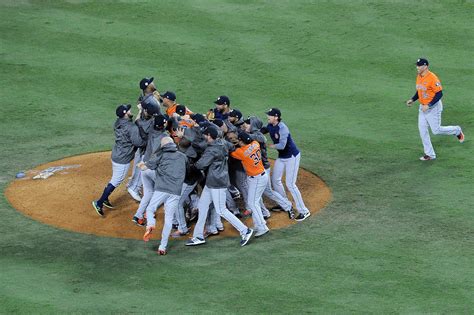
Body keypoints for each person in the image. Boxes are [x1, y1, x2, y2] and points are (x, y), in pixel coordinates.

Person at [186, 126, 253, 247]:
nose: (204, 137)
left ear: (210, 136)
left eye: (205, 135)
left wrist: (191, 167)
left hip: (217, 183)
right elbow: (232, 147)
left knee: (221, 210)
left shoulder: (213, 150)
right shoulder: (222, 142)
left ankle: (245, 230)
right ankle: (198, 236)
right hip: (213, 181)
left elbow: (201, 164)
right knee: (202, 206)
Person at [406, 58, 465, 161]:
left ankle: (457, 130)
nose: (417, 67)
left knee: (436, 131)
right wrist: (412, 99)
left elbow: (439, 93)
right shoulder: (419, 77)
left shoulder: (433, 78)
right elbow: (419, 91)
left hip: (433, 108)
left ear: (426, 66)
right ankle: (430, 154)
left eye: (419, 65)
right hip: (422, 108)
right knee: (422, 131)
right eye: (417, 65)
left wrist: (429, 105)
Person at [92, 104, 145, 216]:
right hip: (122, 159)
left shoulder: (118, 122)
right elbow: (138, 142)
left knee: (114, 178)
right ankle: (99, 202)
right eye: (129, 110)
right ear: (125, 113)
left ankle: (105, 198)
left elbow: (133, 125)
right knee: (116, 180)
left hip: (116, 154)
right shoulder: (131, 128)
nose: (131, 111)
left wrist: (140, 112)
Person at [138, 137, 187, 255]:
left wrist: (140, 165)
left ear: (163, 146)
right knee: (169, 218)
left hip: (162, 189)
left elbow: (146, 167)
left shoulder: (161, 155)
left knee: (150, 209)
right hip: (176, 191)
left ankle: (151, 224)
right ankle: (162, 247)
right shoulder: (182, 156)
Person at [265, 108, 310, 221]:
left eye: (269, 115)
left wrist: (269, 146)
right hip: (282, 157)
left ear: (276, 117)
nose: (268, 117)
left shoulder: (283, 128)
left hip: (291, 157)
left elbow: (282, 146)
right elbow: (262, 130)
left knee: (290, 184)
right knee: (275, 180)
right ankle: (285, 203)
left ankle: (304, 211)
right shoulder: (270, 125)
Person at [230, 132, 270, 237]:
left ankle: (262, 227)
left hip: (257, 179)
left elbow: (232, 152)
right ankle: (258, 224)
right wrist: (239, 143)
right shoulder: (255, 143)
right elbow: (248, 144)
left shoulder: (241, 152)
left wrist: (233, 144)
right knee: (254, 202)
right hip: (260, 175)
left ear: (241, 141)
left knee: (252, 203)